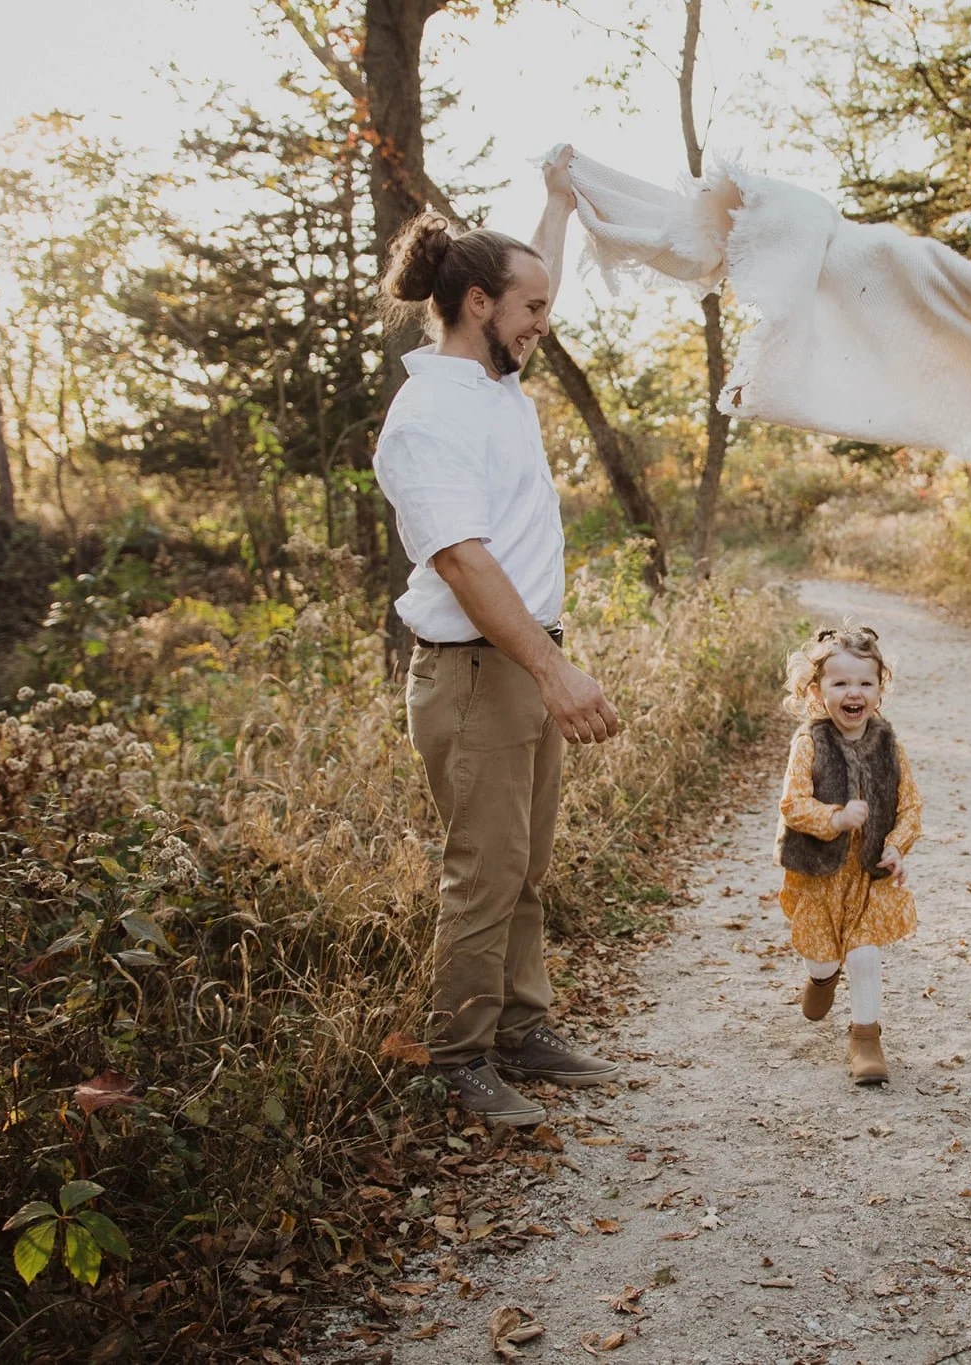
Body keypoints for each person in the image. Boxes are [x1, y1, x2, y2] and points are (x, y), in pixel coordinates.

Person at [374, 146, 625, 1128]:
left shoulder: (491, 383)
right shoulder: (429, 413)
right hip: (479, 673)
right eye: (528, 309)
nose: (541, 322)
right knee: (481, 873)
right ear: (478, 304)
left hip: (516, 665)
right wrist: (553, 669)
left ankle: (521, 1030)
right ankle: (458, 1062)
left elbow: (531, 271)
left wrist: (556, 204)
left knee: (523, 863)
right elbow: (463, 562)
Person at [773, 626, 923, 1086]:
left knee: (864, 955)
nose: (853, 693)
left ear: (880, 690)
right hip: (820, 873)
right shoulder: (809, 744)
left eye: (865, 683)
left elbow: (909, 806)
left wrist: (896, 848)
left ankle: (865, 1038)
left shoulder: (888, 746)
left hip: (867, 873)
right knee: (822, 957)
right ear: (816, 692)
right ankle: (821, 978)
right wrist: (834, 818)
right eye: (840, 684)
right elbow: (792, 804)